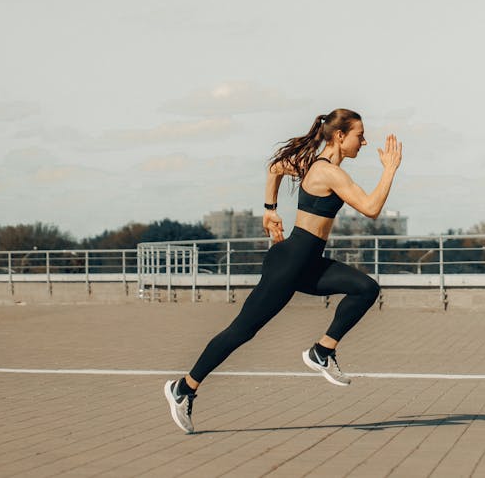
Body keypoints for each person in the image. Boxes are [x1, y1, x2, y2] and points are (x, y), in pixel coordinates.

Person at [163, 108, 402, 434]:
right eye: (360, 135)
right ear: (339, 136)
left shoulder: (314, 165)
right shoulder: (328, 172)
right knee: (242, 332)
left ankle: (322, 351)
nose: (364, 141)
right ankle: (184, 387)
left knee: (366, 288)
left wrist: (269, 210)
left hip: (307, 263)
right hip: (289, 264)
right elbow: (372, 208)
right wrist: (389, 170)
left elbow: (276, 168)